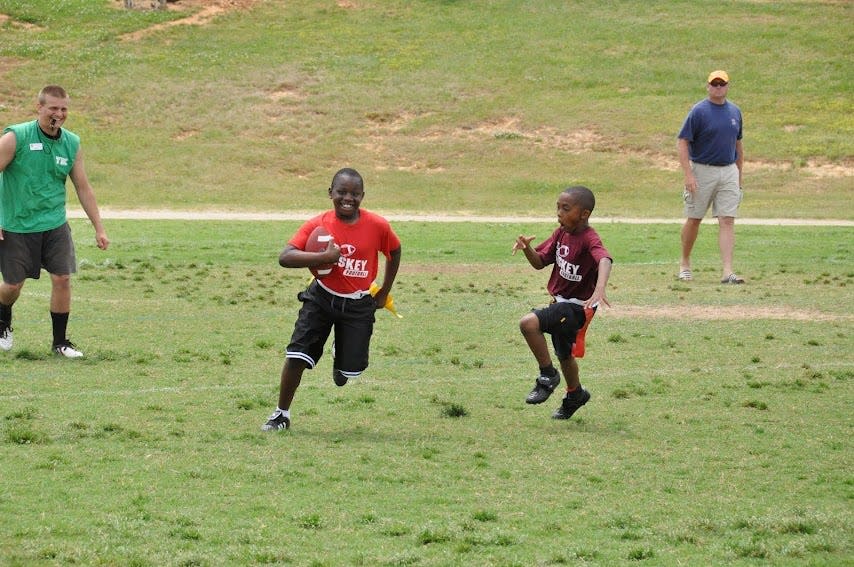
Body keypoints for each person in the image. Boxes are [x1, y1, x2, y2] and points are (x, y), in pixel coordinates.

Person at [262, 168, 402, 431]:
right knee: (297, 355)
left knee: (348, 373)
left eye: (354, 193)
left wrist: (384, 291)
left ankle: (342, 357)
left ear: (362, 196)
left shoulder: (378, 226)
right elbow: (285, 256)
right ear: (330, 193)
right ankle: (281, 414)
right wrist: (322, 258)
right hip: (321, 298)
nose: (348, 198)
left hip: (358, 304)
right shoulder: (319, 224)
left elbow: (395, 250)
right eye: (341, 192)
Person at [0, 85, 110, 358]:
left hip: (54, 224)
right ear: (39, 108)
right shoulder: (17, 137)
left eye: (63, 109)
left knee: (62, 278)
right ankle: (3, 323)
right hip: (16, 224)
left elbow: (83, 187)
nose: (58, 114)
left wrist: (99, 227)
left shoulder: (71, 142)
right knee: (13, 285)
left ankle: (60, 343)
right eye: (52, 108)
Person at [512, 186, 612, 420]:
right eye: (558, 207)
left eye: (565, 208)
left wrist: (600, 287)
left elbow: (605, 259)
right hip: (561, 303)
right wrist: (527, 249)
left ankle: (548, 376)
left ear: (584, 214)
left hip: (578, 308)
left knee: (529, 324)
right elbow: (540, 262)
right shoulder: (561, 234)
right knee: (564, 353)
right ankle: (575, 394)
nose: (559, 212)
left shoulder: (590, 238)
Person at [677, 69, 745, 284]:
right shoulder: (698, 111)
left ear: (727, 86)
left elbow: (738, 144)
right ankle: (685, 263)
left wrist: (739, 174)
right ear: (708, 86)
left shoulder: (735, 112)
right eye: (714, 84)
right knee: (694, 218)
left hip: (728, 170)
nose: (718, 87)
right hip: (702, 169)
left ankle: (727, 271)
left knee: (727, 220)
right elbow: (682, 141)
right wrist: (688, 174)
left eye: (721, 84)